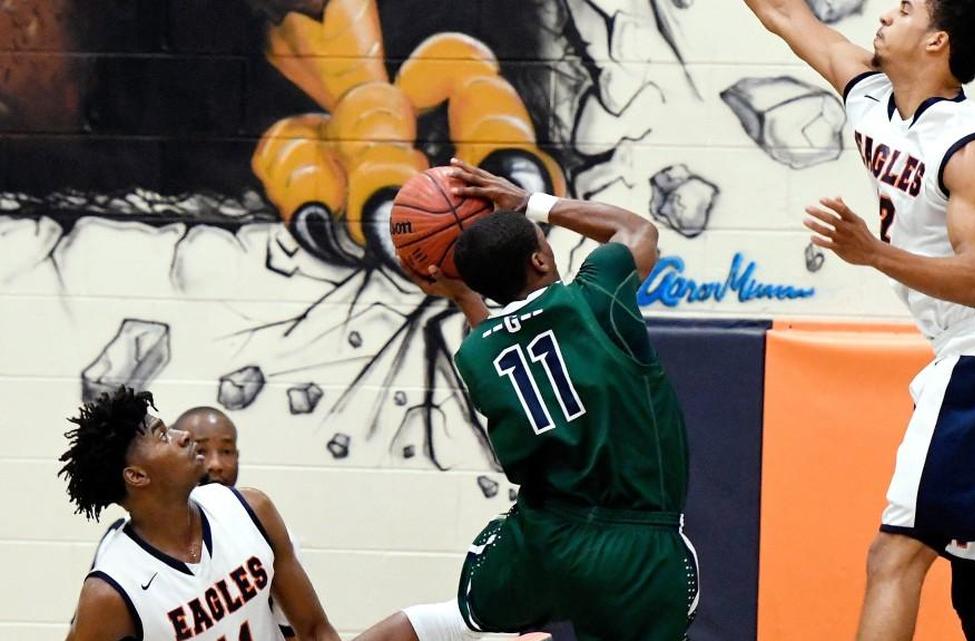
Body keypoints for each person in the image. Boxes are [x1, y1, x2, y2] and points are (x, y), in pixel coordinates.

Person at [742, 1, 975, 640]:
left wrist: (871, 252)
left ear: (936, 42)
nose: (886, 14)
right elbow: (787, 14)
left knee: (894, 555)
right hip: (974, 357)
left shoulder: (972, 144)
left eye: (905, 10)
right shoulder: (871, 95)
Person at [351, 158, 698, 641]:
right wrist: (529, 203)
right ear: (539, 259)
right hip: (636, 542)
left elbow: (496, 334)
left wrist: (459, 293)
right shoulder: (596, 297)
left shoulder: (476, 353)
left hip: (545, 541)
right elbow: (635, 229)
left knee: (451, 620)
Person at [59, 386, 340, 641]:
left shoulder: (253, 509)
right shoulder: (109, 591)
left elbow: (316, 631)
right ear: (137, 475)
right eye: (162, 435)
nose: (183, 436)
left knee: (387, 630)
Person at [174, 406, 298, 639]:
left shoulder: (266, 527)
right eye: (200, 450)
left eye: (227, 451)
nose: (216, 464)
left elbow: (299, 631)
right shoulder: (128, 542)